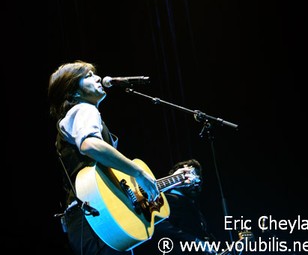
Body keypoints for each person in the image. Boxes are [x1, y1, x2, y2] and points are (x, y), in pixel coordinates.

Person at [48, 60, 160, 255]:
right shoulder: (84, 109)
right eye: (88, 75)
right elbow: (90, 145)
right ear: (74, 91)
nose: (98, 77)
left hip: (91, 220)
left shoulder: (73, 117)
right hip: (96, 219)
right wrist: (138, 172)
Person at [134, 159, 218, 255]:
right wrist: (195, 241)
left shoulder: (191, 204)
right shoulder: (167, 200)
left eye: (199, 178)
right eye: (192, 175)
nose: (197, 181)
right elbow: (161, 226)